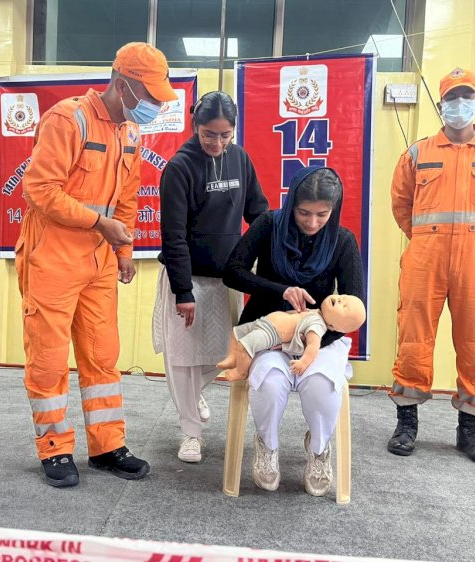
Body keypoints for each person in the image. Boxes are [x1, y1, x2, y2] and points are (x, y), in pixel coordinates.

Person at [15, 42, 178, 487]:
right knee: (48, 359)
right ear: (122, 85)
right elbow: (41, 190)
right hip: (52, 256)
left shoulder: (130, 134)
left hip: (99, 262)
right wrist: (99, 224)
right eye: (148, 95)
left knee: (102, 357)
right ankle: (55, 448)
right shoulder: (68, 120)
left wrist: (122, 252)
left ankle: (107, 447)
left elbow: (127, 200)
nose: (153, 106)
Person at [388, 68, 475, 468]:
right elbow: (401, 206)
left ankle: (470, 432)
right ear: (440, 104)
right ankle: (407, 424)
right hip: (425, 254)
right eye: (451, 98)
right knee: (413, 338)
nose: (458, 104)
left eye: (466, 97)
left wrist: (473, 237)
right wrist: (431, 236)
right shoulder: (417, 153)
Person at [223, 166, 364, 496]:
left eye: (321, 215)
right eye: (303, 213)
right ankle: (267, 445)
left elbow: (356, 308)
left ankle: (318, 449)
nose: (312, 223)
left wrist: (309, 340)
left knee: (321, 387)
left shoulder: (342, 241)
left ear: (334, 210)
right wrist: (281, 291)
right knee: (270, 385)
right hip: (269, 332)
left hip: (321, 338)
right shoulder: (269, 224)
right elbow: (232, 272)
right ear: (291, 205)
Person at [152, 91, 269, 463]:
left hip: (226, 279)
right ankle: (191, 433)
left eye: (225, 135)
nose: (218, 143)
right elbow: (173, 235)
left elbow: (258, 212)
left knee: (224, 353)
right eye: (209, 134)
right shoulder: (180, 167)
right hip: (187, 278)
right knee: (183, 360)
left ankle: (193, 394)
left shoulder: (240, 159)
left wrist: (277, 246)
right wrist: (182, 291)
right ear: (195, 126)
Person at [217, 293, 366, 380]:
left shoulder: (317, 326)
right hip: (263, 323)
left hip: (272, 333)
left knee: (246, 345)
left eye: (345, 306)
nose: (341, 300)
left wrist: (303, 363)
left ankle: (241, 371)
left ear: (335, 327)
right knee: (236, 332)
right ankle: (232, 357)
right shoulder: (315, 313)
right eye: (342, 297)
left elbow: (313, 347)